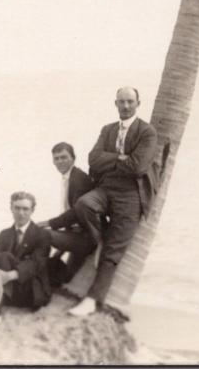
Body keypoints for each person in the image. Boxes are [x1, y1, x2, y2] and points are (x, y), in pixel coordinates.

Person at [68, 87, 158, 317]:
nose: (126, 106)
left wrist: (108, 160)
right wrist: (120, 158)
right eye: (121, 102)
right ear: (115, 104)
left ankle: (92, 300)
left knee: (113, 253)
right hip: (106, 189)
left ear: (138, 103)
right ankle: (98, 238)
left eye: (130, 102)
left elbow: (138, 167)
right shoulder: (107, 130)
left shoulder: (147, 132)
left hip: (131, 196)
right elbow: (92, 158)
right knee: (84, 205)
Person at [0, 191, 51, 331]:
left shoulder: (42, 235)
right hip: (8, 290)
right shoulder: (4, 234)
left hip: (30, 290)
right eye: (17, 208)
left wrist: (10, 275)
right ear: (11, 209)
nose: (21, 213)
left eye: (25, 209)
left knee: (5, 256)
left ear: (32, 211)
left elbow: (37, 263)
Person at [37, 142, 96, 286]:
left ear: (73, 158)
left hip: (85, 239)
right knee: (66, 279)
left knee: (41, 233)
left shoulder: (79, 179)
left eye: (63, 157)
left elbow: (76, 213)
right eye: (56, 158)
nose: (60, 161)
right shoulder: (69, 177)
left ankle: (37, 272)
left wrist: (49, 223)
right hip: (75, 234)